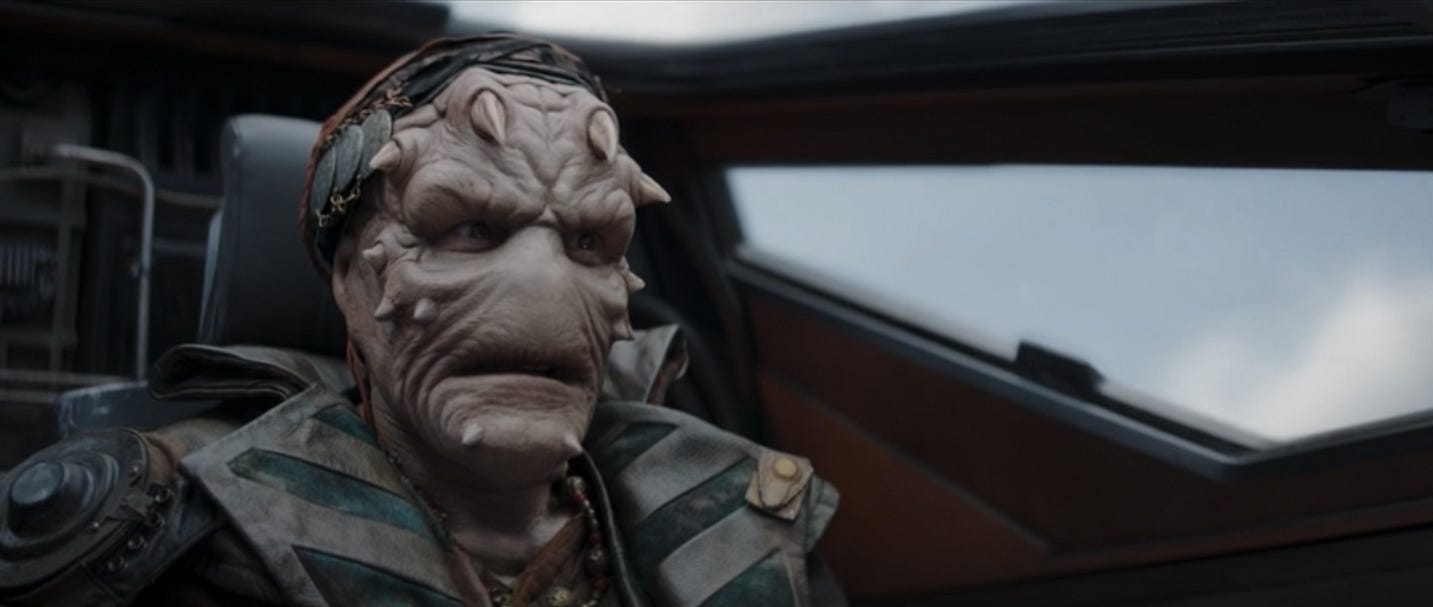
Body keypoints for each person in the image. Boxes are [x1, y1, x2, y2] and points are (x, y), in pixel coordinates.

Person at [0, 35, 840, 607]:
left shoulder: (743, 519)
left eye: (591, 240)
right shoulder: (164, 532)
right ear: (349, 280)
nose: (547, 286)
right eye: (469, 228)